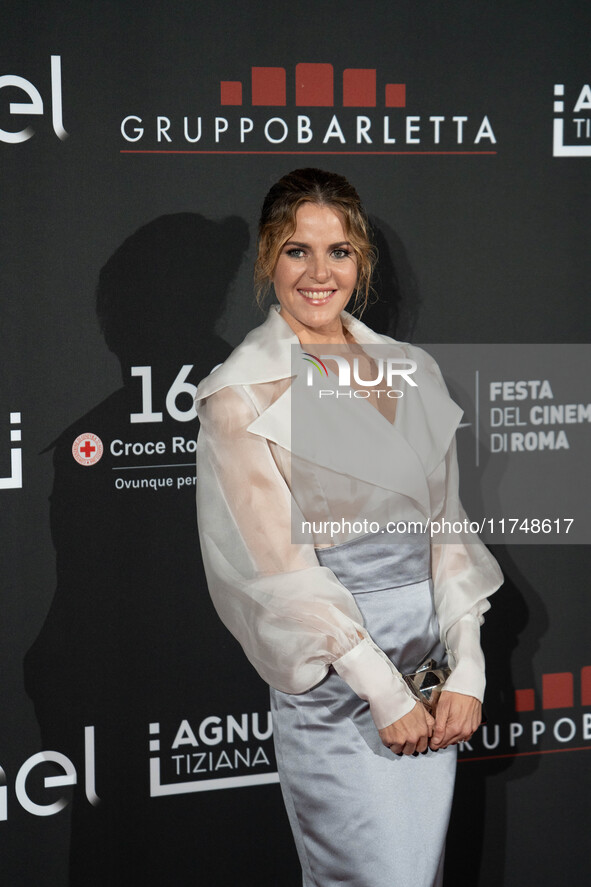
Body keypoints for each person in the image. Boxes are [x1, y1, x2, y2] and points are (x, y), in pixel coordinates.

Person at [195, 168, 503, 887]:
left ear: (360, 260)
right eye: (296, 249)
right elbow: (277, 572)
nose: (317, 272)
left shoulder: (413, 371)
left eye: (337, 251)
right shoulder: (239, 394)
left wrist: (468, 664)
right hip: (342, 694)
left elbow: (445, 531)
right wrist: (383, 692)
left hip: (434, 686)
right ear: (268, 257)